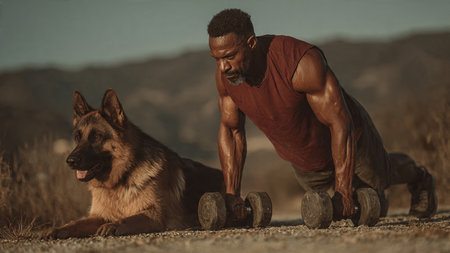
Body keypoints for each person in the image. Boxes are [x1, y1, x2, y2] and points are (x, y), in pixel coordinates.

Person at [207, 8, 437, 221]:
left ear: (251, 43)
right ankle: (365, 193)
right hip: (305, 158)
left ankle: (420, 177)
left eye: (229, 56)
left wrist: (344, 193)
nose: (222, 67)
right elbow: (232, 131)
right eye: (216, 59)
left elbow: (340, 123)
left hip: (351, 139)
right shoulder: (226, 80)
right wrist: (232, 196)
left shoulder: (299, 63)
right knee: (330, 203)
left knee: (381, 177)